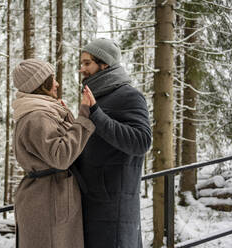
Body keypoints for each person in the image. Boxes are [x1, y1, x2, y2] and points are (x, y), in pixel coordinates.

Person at [73, 38, 152, 248]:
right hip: (91, 203)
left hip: (114, 209)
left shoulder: (129, 95)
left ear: (105, 64)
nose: (82, 69)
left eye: (87, 63)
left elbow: (142, 141)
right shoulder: (97, 96)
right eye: (81, 63)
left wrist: (96, 115)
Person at [12, 58, 96, 248]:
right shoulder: (37, 116)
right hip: (47, 199)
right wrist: (84, 115)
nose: (57, 83)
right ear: (41, 84)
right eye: (52, 78)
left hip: (47, 196)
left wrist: (67, 116)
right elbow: (61, 156)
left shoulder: (42, 111)